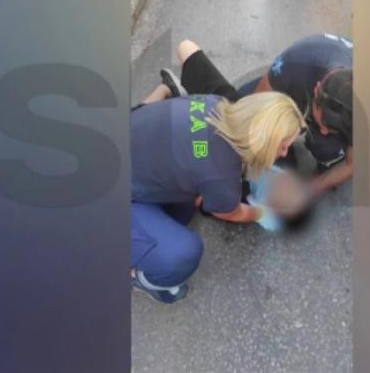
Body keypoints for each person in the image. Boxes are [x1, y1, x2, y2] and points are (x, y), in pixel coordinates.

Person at [131, 73, 306, 303]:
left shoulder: (215, 103)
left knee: (185, 204)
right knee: (182, 253)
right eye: (282, 146)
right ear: (263, 140)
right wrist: (264, 213)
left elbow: (199, 153)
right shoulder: (221, 177)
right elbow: (231, 212)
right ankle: (139, 276)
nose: (284, 154)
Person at [170, 34, 354, 198]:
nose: (323, 131)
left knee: (323, 149)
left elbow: (351, 164)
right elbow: (225, 209)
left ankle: (168, 90)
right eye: (322, 124)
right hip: (291, 84)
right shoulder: (298, 62)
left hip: (175, 128)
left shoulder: (217, 107)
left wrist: (311, 188)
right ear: (317, 89)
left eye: (331, 129)